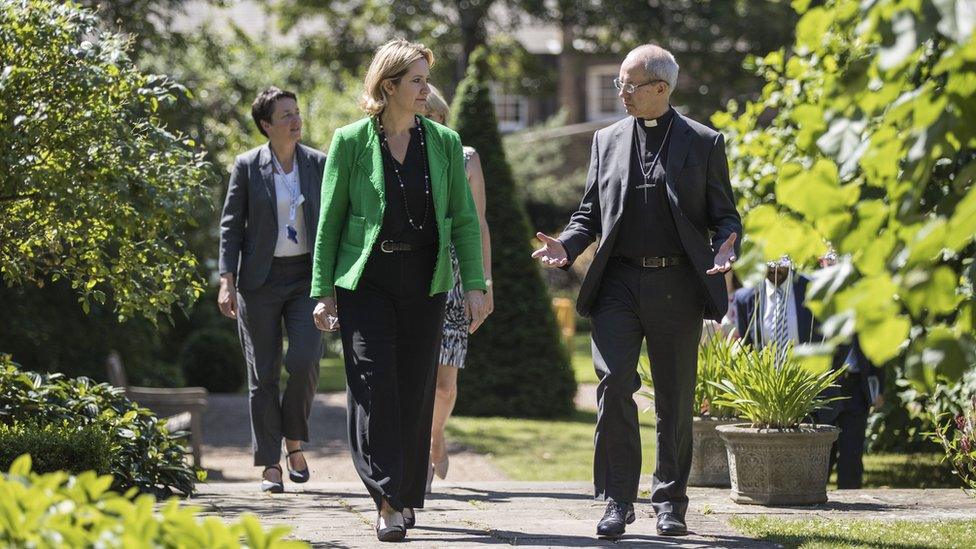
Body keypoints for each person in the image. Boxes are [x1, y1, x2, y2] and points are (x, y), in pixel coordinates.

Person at [532, 44, 741, 539]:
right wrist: (566, 244)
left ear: (661, 90)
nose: (620, 92)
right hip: (618, 284)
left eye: (628, 84)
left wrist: (726, 245)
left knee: (674, 399)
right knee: (613, 387)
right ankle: (616, 501)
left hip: (677, 285)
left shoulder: (704, 142)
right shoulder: (605, 140)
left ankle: (670, 502)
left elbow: (724, 215)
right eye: (618, 84)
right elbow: (589, 214)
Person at [310, 39, 489, 543]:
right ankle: (387, 498)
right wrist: (323, 291)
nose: (425, 89)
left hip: (426, 283)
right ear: (387, 86)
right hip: (367, 282)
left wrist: (474, 284)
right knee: (373, 386)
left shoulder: (444, 143)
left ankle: (407, 493)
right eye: (416, 80)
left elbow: (464, 221)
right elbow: (329, 223)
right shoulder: (348, 142)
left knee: (415, 391)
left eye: (425, 80)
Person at [218, 87, 326, 493]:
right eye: (285, 115)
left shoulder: (319, 163)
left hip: (306, 278)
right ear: (266, 125)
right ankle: (270, 464)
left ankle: (294, 441)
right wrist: (226, 280)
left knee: (304, 358)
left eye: (297, 113)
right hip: (259, 282)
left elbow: (332, 221)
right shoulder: (247, 166)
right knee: (263, 374)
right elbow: (231, 225)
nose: (295, 121)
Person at [423, 85, 493, 493]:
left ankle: (435, 434)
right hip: (416, 276)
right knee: (418, 378)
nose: (433, 126)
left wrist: (483, 284)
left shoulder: (466, 158)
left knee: (445, 384)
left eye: (438, 119)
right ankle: (420, 449)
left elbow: (479, 224)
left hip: (455, 280)